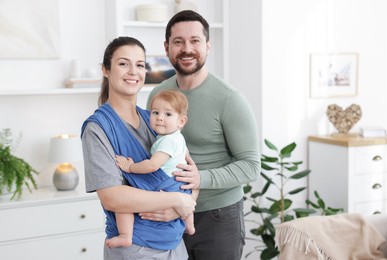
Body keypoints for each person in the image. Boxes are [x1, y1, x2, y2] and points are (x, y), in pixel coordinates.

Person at [145, 10, 261, 260]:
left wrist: (201, 178)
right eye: (178, 42)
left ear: (208, 46)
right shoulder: (158, 95)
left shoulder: (230, 99)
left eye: (195, 41)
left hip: (218, 217)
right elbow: (151, 151)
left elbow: (251, 166)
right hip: (168, 212)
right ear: (167, 48)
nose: (187, 49)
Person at [81, 36, 196, 260]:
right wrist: (176, 200)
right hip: (136, 247)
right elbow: (112, 197)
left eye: (140, 65)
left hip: (173, 241)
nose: (133, 71)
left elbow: (189, 174)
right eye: (123, 64)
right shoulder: (97, 129)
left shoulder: (155, 120)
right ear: (106, 69)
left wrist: (184, 203)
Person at [107, 89, 197, 248]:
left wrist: (130, 167)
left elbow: (152, 165)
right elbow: (186, 157)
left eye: (168, 114)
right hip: (180, 185)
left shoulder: (167, 141)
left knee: (124, 202)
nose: (160, 118)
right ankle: (190, 225)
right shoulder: (177, 138)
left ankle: (125, 235)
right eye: (155, 112)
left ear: (181, 121)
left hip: (167, 185)